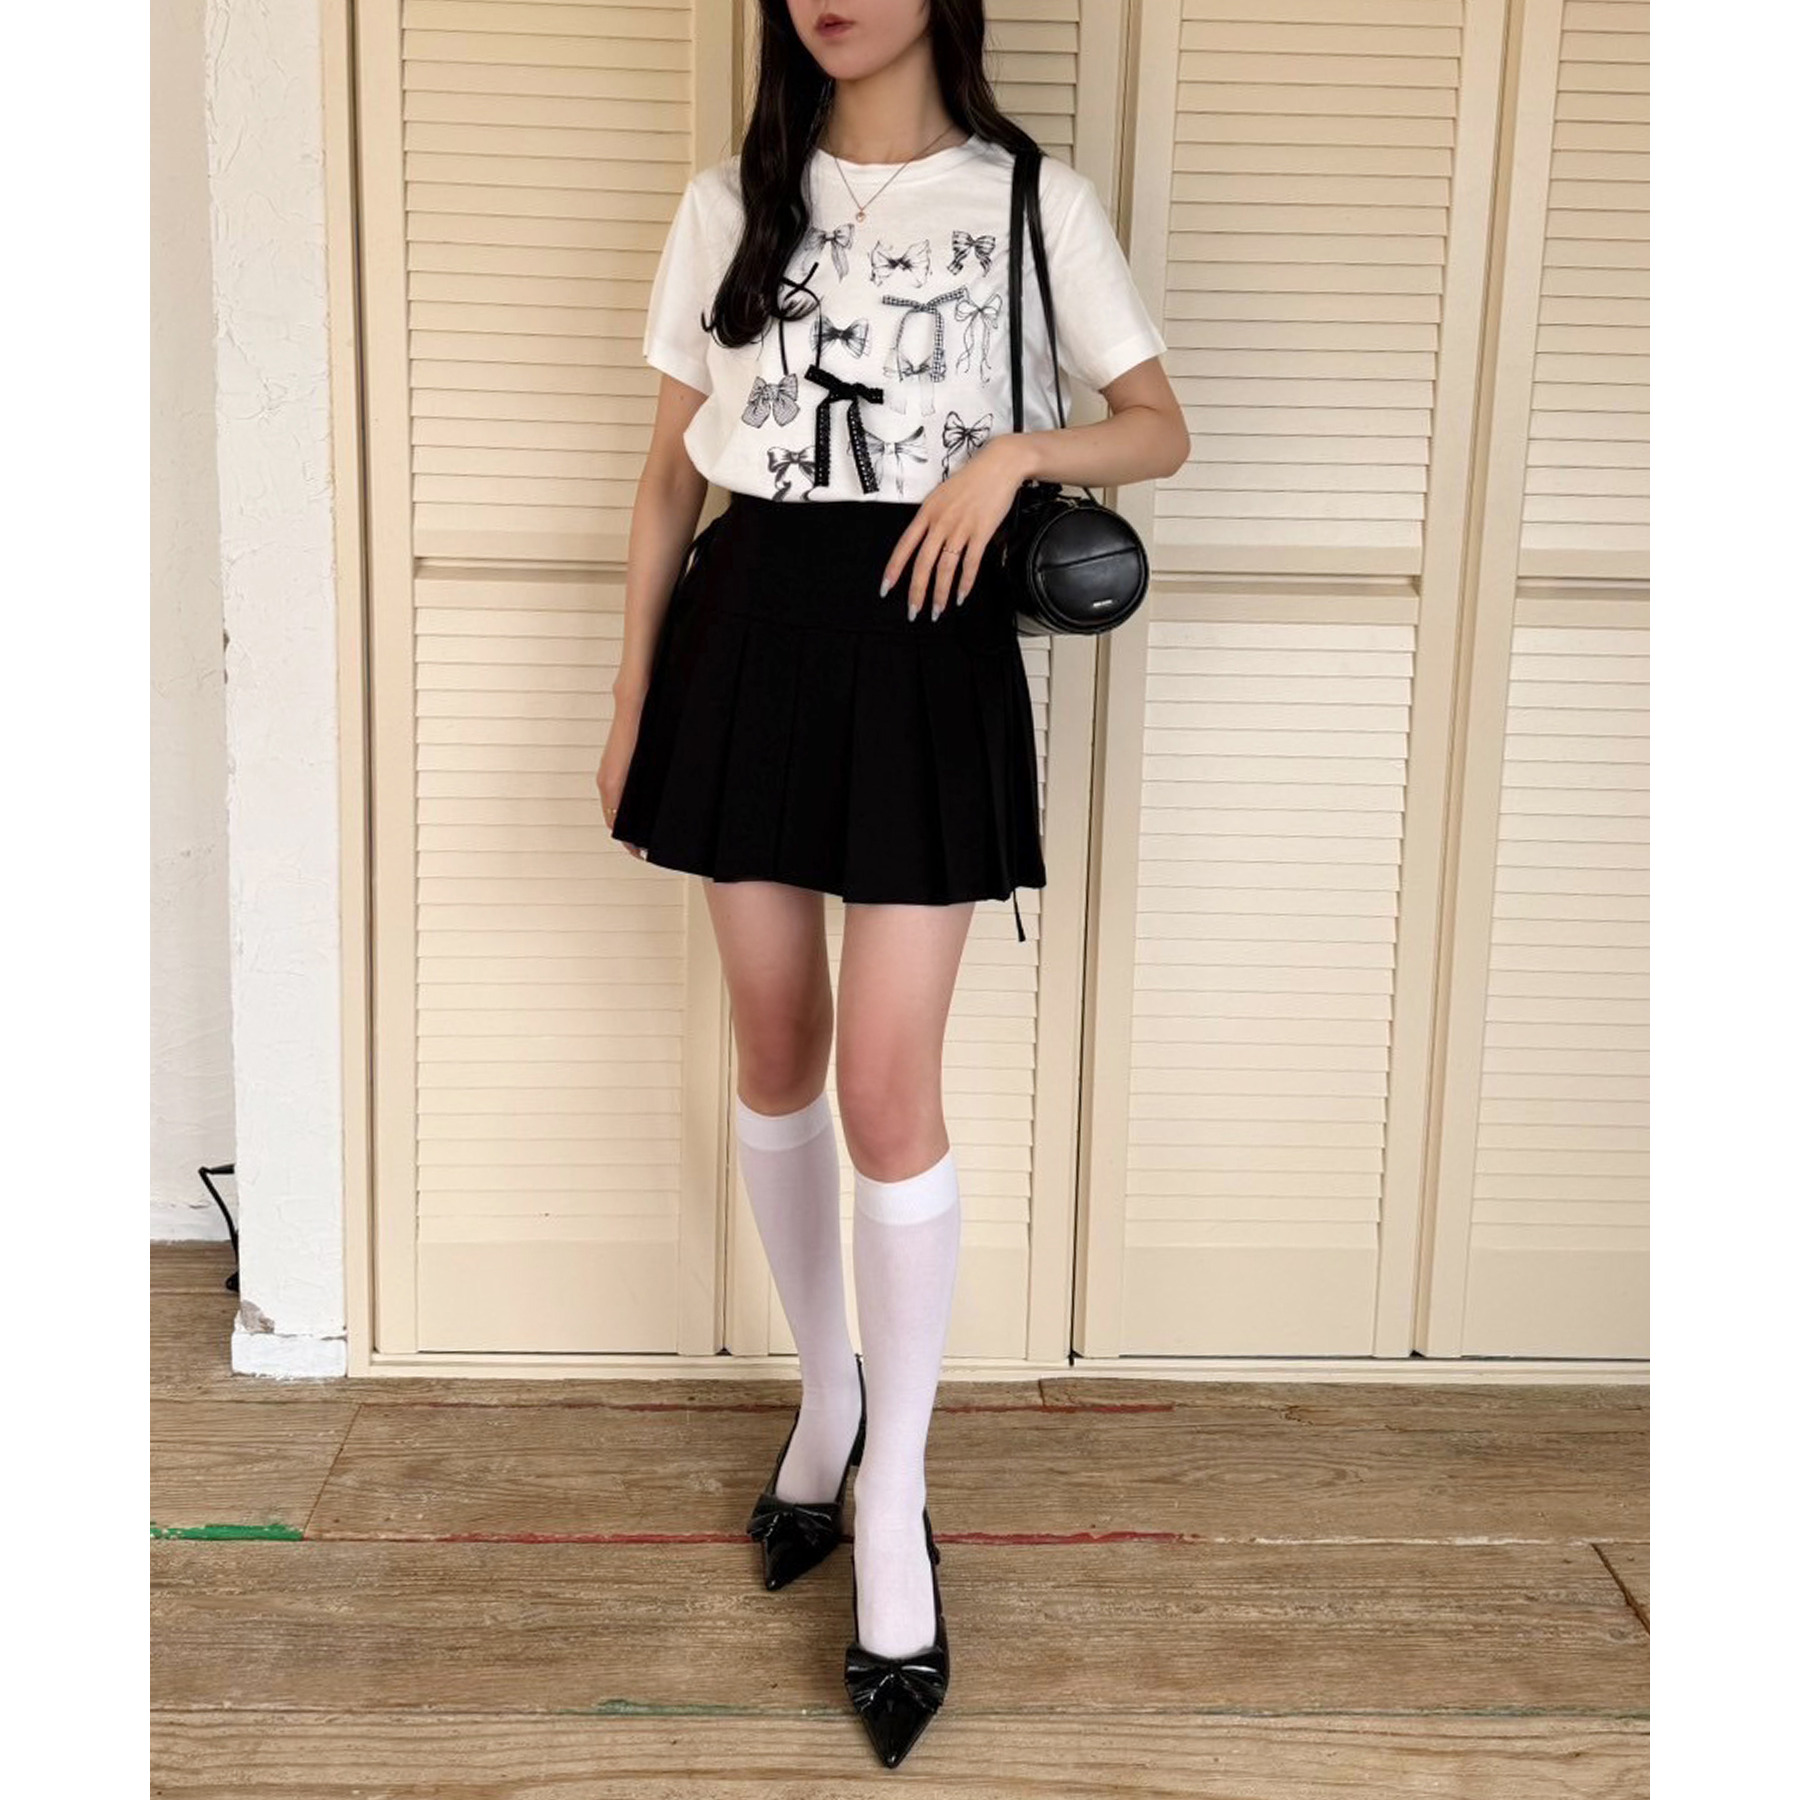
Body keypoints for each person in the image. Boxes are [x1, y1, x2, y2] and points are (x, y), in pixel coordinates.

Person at [597, 0, 1187, 1769]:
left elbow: (1156, 425)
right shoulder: (730, 202)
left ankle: (894, 1499)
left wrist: (1014, 453)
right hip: (747, 636)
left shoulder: (1030, 201)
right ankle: (825, 1404)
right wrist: (629, 705)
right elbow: (664, 484)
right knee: (776, 1047)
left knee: (885, 1085)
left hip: (928, 648)